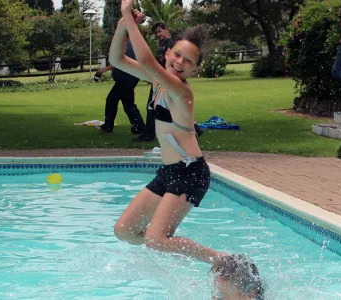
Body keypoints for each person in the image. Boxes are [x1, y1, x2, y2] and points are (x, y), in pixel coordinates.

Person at [109, 3, 264, 298]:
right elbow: (117, 58)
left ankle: (223, 259)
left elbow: (144, 57)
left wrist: (130, 16)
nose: (180, 62)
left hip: (190, 172)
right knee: (126, 231)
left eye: (188, 61)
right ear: (167, 53)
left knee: (155, 239)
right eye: (177, 54)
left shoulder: (182, 91)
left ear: (195, 69)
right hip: (169, 171)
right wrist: (121, 25)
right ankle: (209, 256)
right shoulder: (157, 81)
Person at [96, 11, 147, 134]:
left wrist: (102, 70)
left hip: (125, 78)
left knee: (113, 100)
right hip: (129, 78)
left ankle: (109, 126)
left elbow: (118, 61)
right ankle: (138, 126)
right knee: (127, 103)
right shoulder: (130, 43)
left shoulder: (125, 44)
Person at [134, 21, 179, 142]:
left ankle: (148, 135)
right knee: (165, 107)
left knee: (152, 106)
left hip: (163, 80)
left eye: (159, 31)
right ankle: (194, 129)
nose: (158, 34)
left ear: (166, 29)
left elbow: (166, 63)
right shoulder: (164, 44)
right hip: (160, 79)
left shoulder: (170, 44)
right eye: (156, 33)